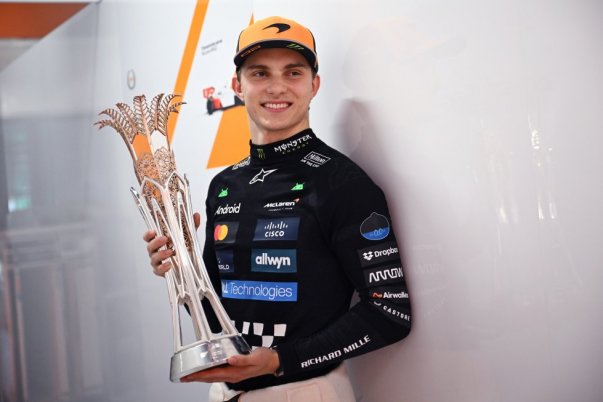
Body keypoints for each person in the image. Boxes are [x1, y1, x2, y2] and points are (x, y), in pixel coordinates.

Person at [144, 16, 411, 402]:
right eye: (260, 73)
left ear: (314, 85)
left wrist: (280, 360)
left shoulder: (343, 182)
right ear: (238, 86)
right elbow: (216, 312)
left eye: (293, 72)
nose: (276, 87)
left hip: (306, 392)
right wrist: (179, 270)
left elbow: (391, 313)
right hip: (226, 394)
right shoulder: (224, 185)